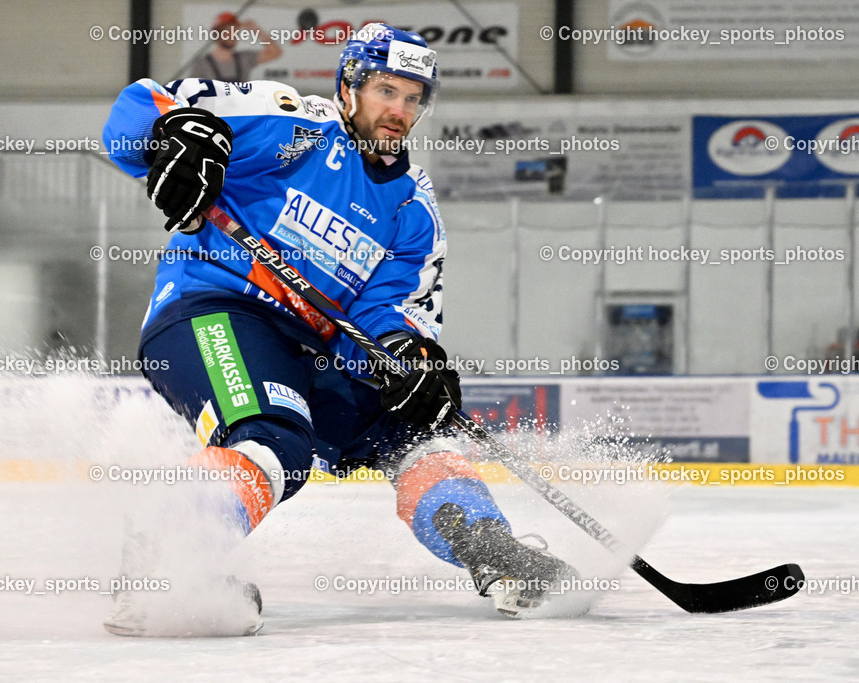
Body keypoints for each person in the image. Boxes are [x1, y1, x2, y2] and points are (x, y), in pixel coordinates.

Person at [102, 22, 577, 636]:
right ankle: (166, 559)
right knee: (273, 437)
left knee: (416, 430)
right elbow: (141, 105)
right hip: (214, 307)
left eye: (413, 98)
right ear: (349, 88)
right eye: (386, 91)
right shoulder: (291, 124)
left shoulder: (412, 210)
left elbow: (389, 312)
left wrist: (409, 355)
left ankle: (495, 553)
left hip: (315, 345)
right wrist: (177, 136)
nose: (399, 110)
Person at [181, 11, 281, 82]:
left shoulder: (244, 59)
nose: (231, 35)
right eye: (227, 31)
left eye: (234, 31)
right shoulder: (203, 64)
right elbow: (192, 94)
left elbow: (274, 52)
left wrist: (257, 30)